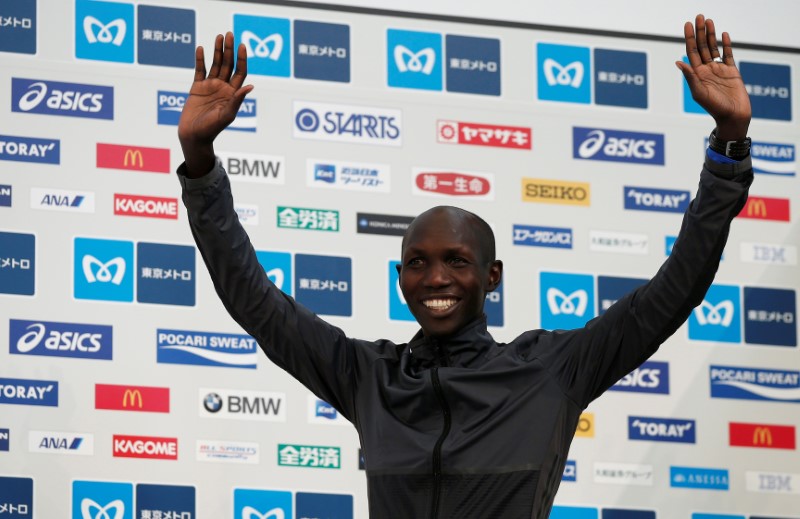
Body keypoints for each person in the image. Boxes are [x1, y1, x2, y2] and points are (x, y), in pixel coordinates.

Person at [177, 14, 752, 519]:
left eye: (456, 261)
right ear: (399, 278)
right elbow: (254, 300)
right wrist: (200, 162)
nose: (436, 279)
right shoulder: (368, 377)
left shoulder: (550, 369)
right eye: (418, 263)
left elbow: (676, 288)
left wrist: (728, 142)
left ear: (492, 276)